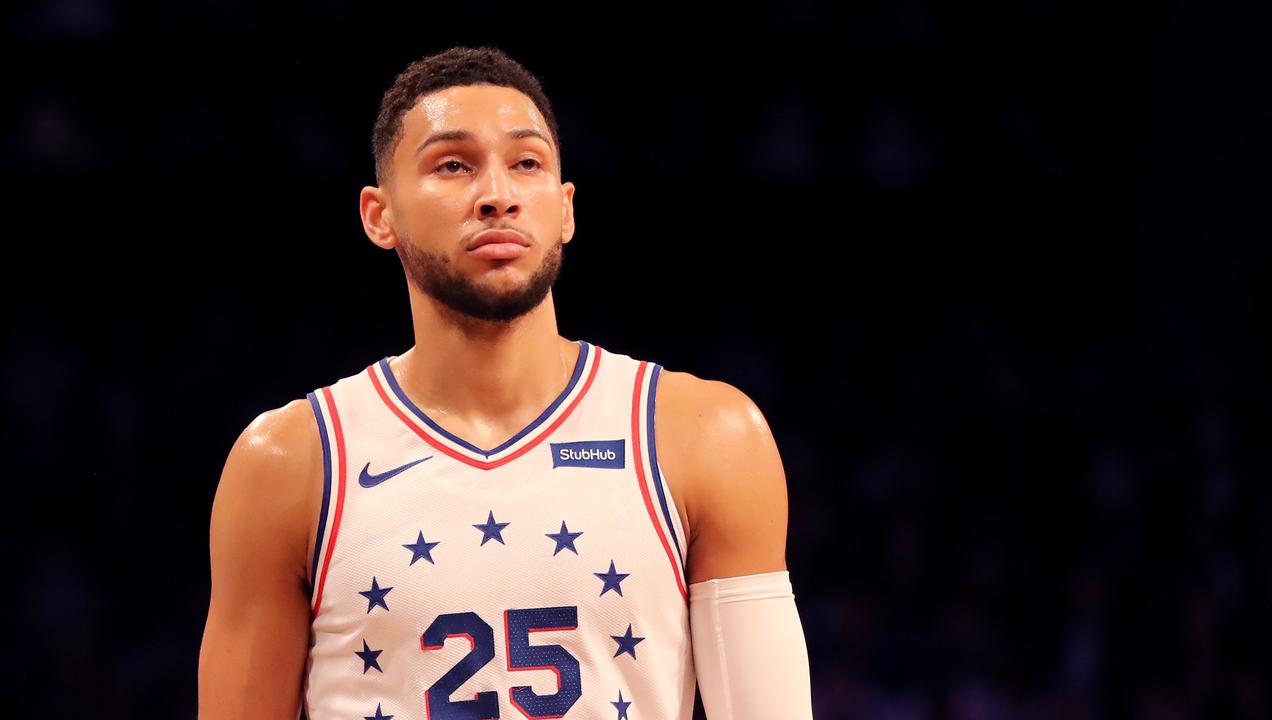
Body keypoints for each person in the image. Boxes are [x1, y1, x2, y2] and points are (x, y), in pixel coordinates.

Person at [198, 46, 812, 720]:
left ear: (566, 209)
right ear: (380, 216)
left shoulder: (706, 437)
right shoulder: (287, 464)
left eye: (527, 163)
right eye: (453, 165)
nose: (498, 194)